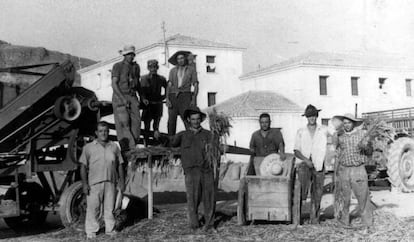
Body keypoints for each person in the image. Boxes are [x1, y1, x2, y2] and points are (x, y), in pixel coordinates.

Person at [170, 106, 216, 231]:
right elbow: (170, 143)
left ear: (201, 120)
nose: (195, 121)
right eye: (193, 119)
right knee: (193, 199)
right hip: (191, 171)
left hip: (207, 170)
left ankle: (210, 224)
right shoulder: (182, 135)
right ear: (188, 120)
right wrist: (159, 136)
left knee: (209, 197)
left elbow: (216, 149)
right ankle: (194, 226)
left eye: (197, 119)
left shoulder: (208, 135)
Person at [80, 121, 125, 239]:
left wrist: (122, 181)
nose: (103, 133)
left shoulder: (114, 146)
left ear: (108, 132)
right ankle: (91, 231)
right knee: (93, 207)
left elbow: (120, 164)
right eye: (101, 131)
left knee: (109, 207)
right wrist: (85, 184)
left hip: (111, 181)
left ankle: (110, 229)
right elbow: (83, 167)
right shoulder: (88, 147)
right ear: (96, 133)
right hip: (94, 182)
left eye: (105, 131)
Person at [333, 113, 374, 229]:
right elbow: (337, 154)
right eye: (345, 123)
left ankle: (367, 223)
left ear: (354, 123)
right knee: (344, 198)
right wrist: (336, 171)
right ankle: (344, 222)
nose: (347, 125)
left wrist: (366, 146)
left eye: (349, 123)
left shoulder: (362, 134)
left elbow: (370, 151)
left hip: (358, 169)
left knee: (363, 197)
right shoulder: (340, 137)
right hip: (344, 169)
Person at [294, 104, 329, 224]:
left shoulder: (323, 130)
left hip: (319, 164)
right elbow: (296, 150)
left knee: (317, 192)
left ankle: (315, 219)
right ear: (306, 118)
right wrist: (306, 160)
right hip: (304, 165)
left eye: (314, 116)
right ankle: (297, 219)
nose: (312, 119)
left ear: (317, 116)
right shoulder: (301, 131)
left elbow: (335, 136)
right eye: (309, 116)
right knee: (301, 192)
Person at [111, 45, 142, 152]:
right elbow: (114, 84)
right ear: (124, 55)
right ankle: (127, 149)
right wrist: (122, 99)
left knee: (137, 123)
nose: (130, 56)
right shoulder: (117, 66)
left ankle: (134, 145)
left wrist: (142, 97)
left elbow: (138, 84)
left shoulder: (136, 67)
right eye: (128, 54)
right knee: (123, 124)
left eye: (132, 54)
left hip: (132, 96)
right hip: (119, 96)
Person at [166, 50, 199, 135]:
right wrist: (167, 99)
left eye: (182, 58)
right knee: (171, 120)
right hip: (173, 96)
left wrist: (193, 99)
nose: (180, 60)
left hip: (185, 95)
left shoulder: (191, 70)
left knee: (186, 119)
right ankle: (171, 141)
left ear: (185, 59)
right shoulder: (173, 71)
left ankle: (190, 140)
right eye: (178, 59)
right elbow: (169, 85)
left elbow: (195, 84)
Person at [140, 59, 167, 144]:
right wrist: (143, 99)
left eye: (155, 67)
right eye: (151, 67)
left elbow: (167, 87)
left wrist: (165, 96)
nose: (153, 69)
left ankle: (155, 143)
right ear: (148, 68)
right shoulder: (144, 78)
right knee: (147, 125)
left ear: (157, 68)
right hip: (148, 105)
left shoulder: (161, 78)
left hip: (157, 104)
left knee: (156, 126)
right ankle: (146, 143)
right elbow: (141, 91)